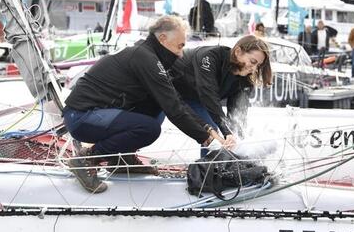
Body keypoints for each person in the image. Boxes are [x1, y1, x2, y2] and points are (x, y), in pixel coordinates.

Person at [63, 15, 233, 193]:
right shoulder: (145, 58)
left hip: (94, 113)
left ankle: (122, 159)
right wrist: (207, 140)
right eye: (180, 46)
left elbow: (175, 101)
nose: (181, 54)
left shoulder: (147, 54)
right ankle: (87, 159)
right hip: (82, 117)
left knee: (156, 105)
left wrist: (207, 129)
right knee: (149, 128)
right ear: (163, 39)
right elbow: (174, 110)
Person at [172, 35, 272, 156]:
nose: (254, 68)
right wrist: (226, 131)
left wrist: (236, 138)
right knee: (151, 128)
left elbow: (237, 114)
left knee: (217, 133)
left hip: (194, 98)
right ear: (238, 52)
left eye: (258, 65)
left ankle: (211, 168)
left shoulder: (245, 79)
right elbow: (208, 94)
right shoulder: (210, 56)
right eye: (253, 62)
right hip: (168, 89)